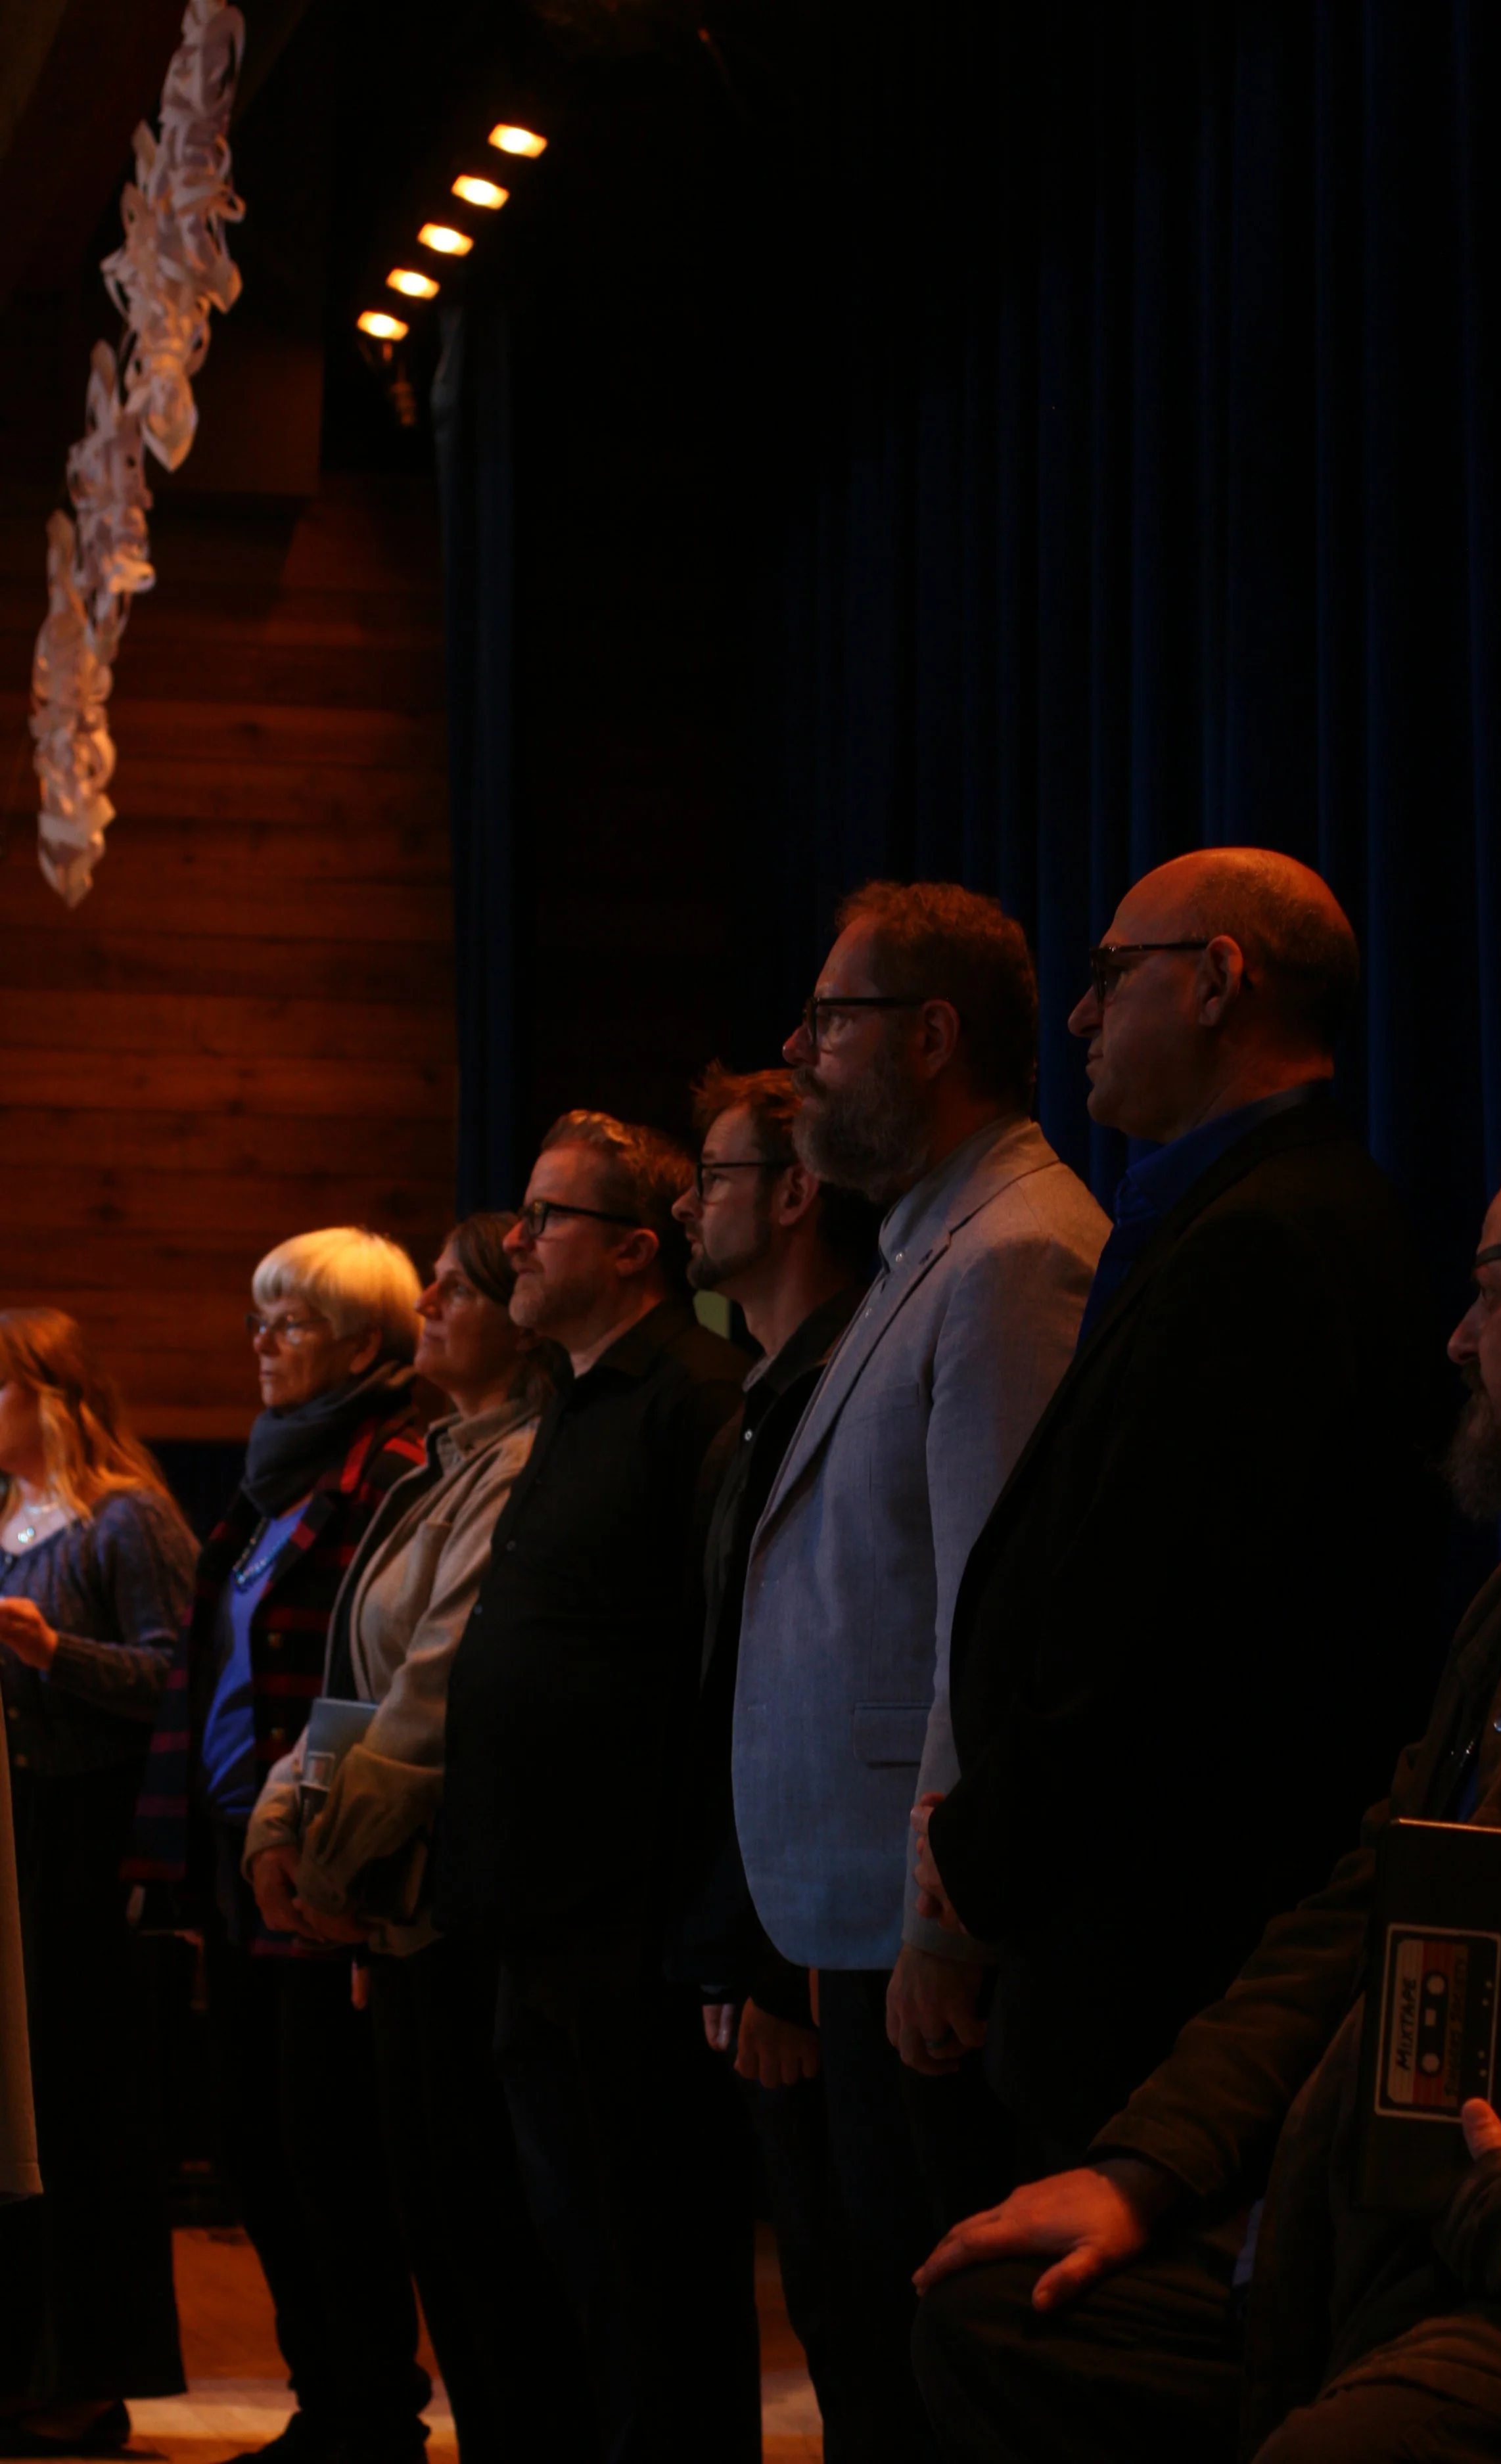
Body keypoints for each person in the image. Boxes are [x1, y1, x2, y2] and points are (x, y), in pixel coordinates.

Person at [912, 1118, 1501, 2463]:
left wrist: (1488, 2213)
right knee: (994, 2310)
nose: (1456, 1340)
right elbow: (1360, 1910)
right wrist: (1145, 2168)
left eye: (1486, 1291)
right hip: (1409, 2220)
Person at [911, 848, 1452, 2158]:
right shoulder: (1227, 1218)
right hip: (1121, 1929)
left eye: (1106, 975)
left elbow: (1153, 1630)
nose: (1080, 1017)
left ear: (1216, 980)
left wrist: (974, 1860)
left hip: (1164, 1962)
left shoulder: (1270, 1241)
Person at [732, 882, 1111, 2458]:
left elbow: (989, 1620)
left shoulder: (1014, 1254)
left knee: (937, 2384)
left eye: (830, 1019)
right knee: (860, 2350)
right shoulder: (916, 1249)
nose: (799, 1051)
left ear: (931, 1036)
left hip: (922, 1940)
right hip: (846, 1925)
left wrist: (939, 1924)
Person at [242, 1214, 585, 2464]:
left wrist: (326, 1868)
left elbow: (433, 1695)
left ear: (520, 1315)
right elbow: (349, 1676)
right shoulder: (434, 1460)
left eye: (455, 1286)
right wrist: (283, 1822)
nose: (428, 1300)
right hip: (377, 1888)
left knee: (478, 2228)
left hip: (442, 1896)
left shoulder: (522, 1458)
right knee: (429, 2215)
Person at [437, 1112, 752, 2464]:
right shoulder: (569, 1394)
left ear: (634, 1251)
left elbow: (714, 1668)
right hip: (532, 1910)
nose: (515, 1239)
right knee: (571, 2260)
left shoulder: (695, 1395)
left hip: (624, 1921)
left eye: (543, 1217)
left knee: (652, 2271)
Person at [127, 1229, 430, 2464]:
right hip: (236, 1856)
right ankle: (329, 2404)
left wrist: (312, 1836)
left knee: (329, 2155)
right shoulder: (275, 1477)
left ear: (366, 1345)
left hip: (322, 1861)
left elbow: (374, 1677)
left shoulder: (392, 1463)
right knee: (257, 2143)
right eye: (260, 1318)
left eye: (289, 1321)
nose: (261, 1343)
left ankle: (372, 2416)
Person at [667, 1062, 883, 2445]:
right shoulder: (760, 1391)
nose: (690, 1207)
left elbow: (830, 1682)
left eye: (712, 1179)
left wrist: (763, 1961)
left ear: (797, 1193)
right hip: (754, 1927)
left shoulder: (836, 1380)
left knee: (859, 2321)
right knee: (823, 2299)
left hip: (813, 1941)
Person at [0, 1308, 195, 2455]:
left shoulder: (126, 1518)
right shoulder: (8, 1519)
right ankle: (24, 2365)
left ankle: (91, 2374)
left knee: (83, 2120)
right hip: (16, 1852)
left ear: (51, 1397)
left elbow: (179, 1676)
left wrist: (51, 1651)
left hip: (87, 1852)